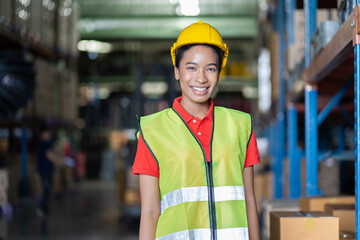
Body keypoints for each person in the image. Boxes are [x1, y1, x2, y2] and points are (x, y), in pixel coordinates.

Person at [133, 21, 260, 240]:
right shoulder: (152, 131)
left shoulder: (241, 126)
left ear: (219, 73)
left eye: (210, 68)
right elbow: (150, 210)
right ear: (176, 71)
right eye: (191, 68)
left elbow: (249, 200)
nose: (201, 78)